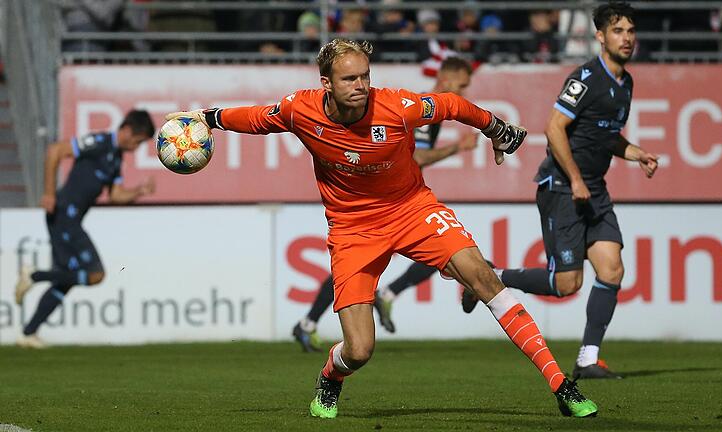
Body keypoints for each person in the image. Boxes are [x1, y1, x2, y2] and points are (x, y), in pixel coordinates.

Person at [165, 38, 597, 419]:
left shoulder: (397, 106)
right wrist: (205, 117)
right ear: (326, 83)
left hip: (412, 209)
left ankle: (561, 385)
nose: (360, 85)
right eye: (350, 78)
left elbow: (453, 104)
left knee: (483, 276)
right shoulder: (301, 110)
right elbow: (256, 118)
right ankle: (330, 376)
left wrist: (496, 128)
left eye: (365, 76)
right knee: (359, 350)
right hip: (353, 229)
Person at [463, 1, 658, 380]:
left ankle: (587, 359)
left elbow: (605, 135)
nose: (627, 38)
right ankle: (491, 276)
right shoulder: (585, 77)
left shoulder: (625, 83)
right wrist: (575, 179)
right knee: (565, 283)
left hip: (592, 189)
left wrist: (635, 153)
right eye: (618, 31)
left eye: (631, 31)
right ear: (600, 37)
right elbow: (554, 128)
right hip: (562, 187)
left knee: (612, 269)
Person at [292, 57, 482, 351]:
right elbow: (418, 158)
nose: (464, 91)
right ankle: (321, 318)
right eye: (462, 84)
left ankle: (315, 320)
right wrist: (458, 148)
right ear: (448, 76)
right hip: (382, 205)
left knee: (430, 257)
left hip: (396, 201)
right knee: (366, 270)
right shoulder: (420, 111)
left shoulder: (421, 107)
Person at [14, 109, 157, 349]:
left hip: (70, 220)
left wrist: (138, 192)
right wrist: (49, 192)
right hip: (63, 215)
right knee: (95, 274)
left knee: (66, 280)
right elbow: (55, 151)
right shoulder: (100, 142)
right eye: (139, 141)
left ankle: (28, 333)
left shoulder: (115, 158)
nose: (137, 147)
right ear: (129, 130)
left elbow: (115, 196)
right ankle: (34, 276)